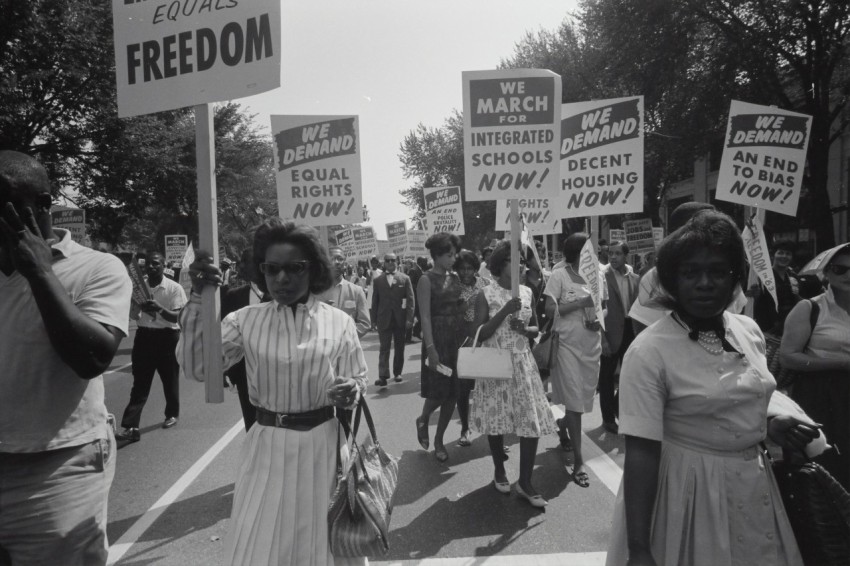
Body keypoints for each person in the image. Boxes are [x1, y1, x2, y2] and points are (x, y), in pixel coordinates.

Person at [606, 210, 817, 566]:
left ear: (734, 278)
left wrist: (768, 429)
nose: (704, 283)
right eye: (690, 273)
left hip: (755, 485)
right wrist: (639, 547)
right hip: (688, 496)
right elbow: (641, 452)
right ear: (673, 280)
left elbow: (740, 400)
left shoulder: (748, 330)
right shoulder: (648, 351)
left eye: (718, 272)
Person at [179, 219, 368, 566]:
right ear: (260, 270)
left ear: (313, 269)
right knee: (260, 545)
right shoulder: (243, 320)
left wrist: (351, 390)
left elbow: (357, 378)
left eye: (294, 268)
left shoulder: (339, 322)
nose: (282, 279)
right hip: (267, 446)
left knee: (323, 547)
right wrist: (196, 299)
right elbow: (199, 368)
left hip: (323, 448)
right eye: (271, 269)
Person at [0, 150, 131, 564]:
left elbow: (91, 359)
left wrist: (39, 272)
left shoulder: (98, 268)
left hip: (57, 471)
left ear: (40, 206)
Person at [470, 242, 556, 507]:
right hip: (495, 364)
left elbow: (537, 331)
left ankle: (526, 482)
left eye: (521, 259)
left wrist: (525, 329)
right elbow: (479, 334)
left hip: (523, 363)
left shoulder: (528, 292)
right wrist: (505, 312)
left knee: (530, 423)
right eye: (512, 259)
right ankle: (499, 469)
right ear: (500, 264)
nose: (519, 264)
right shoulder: (486, 293)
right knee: (497, 422)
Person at [781, 243, 850, 490]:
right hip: (821, 396)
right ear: (826, 273)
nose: (848, 275)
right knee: (827, 465)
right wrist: (841, 363)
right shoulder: (810, 308)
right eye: (840, 269)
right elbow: (788, 356)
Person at [544, 232, 603, 488]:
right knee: (575, 402)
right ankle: (579, 461)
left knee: (580, 400)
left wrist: (597, 320)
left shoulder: (598, 276)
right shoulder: (559, 275)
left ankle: (562, 423)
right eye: (592, 249)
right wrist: (580, 303)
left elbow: (604, 306)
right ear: (580, 251)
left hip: (592, 346)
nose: (597, 252)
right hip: (566, 346)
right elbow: (549, 310)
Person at [116, 251, 187, 442]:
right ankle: (131, 426)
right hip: (144, 338)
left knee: (169, 380)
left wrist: (159, 309)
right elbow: (133, 316)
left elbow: (178, 317)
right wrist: (137, 308)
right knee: (140, 383)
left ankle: (172, 413)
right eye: (148, 264)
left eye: (156, 263)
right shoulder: (138, 288)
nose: (152, 267)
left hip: (168, 338)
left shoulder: (174, 288)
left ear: (164, 265)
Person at [416, 232, 465, 463]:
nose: (453, 259)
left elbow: (461, 306)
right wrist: (431, 348)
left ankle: (439, 440)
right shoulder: (425, 279)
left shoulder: (455, 278)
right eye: (449, 255)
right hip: (437, 340)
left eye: (454, 255)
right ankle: (424, 417)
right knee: (438, 392)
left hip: (456, 341)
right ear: (436, 256)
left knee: (453, 394)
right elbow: (424, 317)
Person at [221, 247, 266, 432]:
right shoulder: (233, 296)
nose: (240, 266)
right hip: (245, 373)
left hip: (277, 370)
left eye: (244, 262)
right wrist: (226, 369)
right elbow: (223, 337)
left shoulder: (282, 296)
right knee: (252, 425)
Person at [599, 241, 639, 434]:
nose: (612, 257)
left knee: (630, 375)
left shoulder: (635, 278)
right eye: (610, 253)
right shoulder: (602, 277)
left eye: (617, 254)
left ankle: (617, 406)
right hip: (609, 333)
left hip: (631, 331)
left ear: (626, 256)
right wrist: (602, 339)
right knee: (606, 378)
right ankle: (608, 419)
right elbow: (597, 310)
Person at [454, 249, 488, 446]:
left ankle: (490, 430)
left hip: (485, 335)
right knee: (463, 387)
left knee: (486, 385)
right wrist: (465, 305)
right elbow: (452, 312)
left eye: (470, 269)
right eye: (462, 269)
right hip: (463, 338)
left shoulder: (485, 284)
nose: (466, 273)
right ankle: (465, 428)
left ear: (476, 269)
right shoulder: (453, 287)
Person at [370, 252, 415, 387]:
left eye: (392, 260)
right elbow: (375, 301)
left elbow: (411, 300)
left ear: (397, 261)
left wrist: (410, 318)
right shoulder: (378, 280)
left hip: (400, 319)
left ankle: (397, 372)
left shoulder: (405, 278)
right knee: (384, 348)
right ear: (384, 263)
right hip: (384, 319)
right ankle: (383, 375)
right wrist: (373, 320)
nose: (390, 262)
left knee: (399, 347)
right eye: (387, 260)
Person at [317, 245, 371, 338]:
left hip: (348, 348)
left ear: (345, 264)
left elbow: (365, 324)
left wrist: (344, 337)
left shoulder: (356, 291)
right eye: (332, 259)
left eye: (340, 259)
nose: (337, 262)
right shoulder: (315, 291)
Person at [753, 239, 802, 335]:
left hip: (789, 326)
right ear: (773, 255)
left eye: (788, 254)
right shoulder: (762, 276)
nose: (784, 256)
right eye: (780, 253)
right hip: (767, 328)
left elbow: (797, 300)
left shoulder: (793, 276)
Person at [406, 256, 424, 343]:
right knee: (412, 318)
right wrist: (418, 288)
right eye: (425, 261)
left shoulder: (419, 269)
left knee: (420, 318)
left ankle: (415, 333)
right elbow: (410, 284)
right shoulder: (414, 270)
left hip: (419, 298)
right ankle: (409, 337)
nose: (426, 262)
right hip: (415, 298)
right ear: (421, 262)